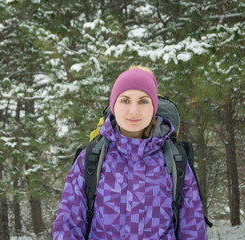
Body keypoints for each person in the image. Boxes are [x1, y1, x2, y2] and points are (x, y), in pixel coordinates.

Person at [52, 66, 207, 239]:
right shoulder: (91, 159)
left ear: (153, 107)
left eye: (143, 101)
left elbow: (193, 230)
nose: (134, 110)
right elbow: (67, 227)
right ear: (114, 105)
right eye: (125, 100)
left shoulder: (174, 159)